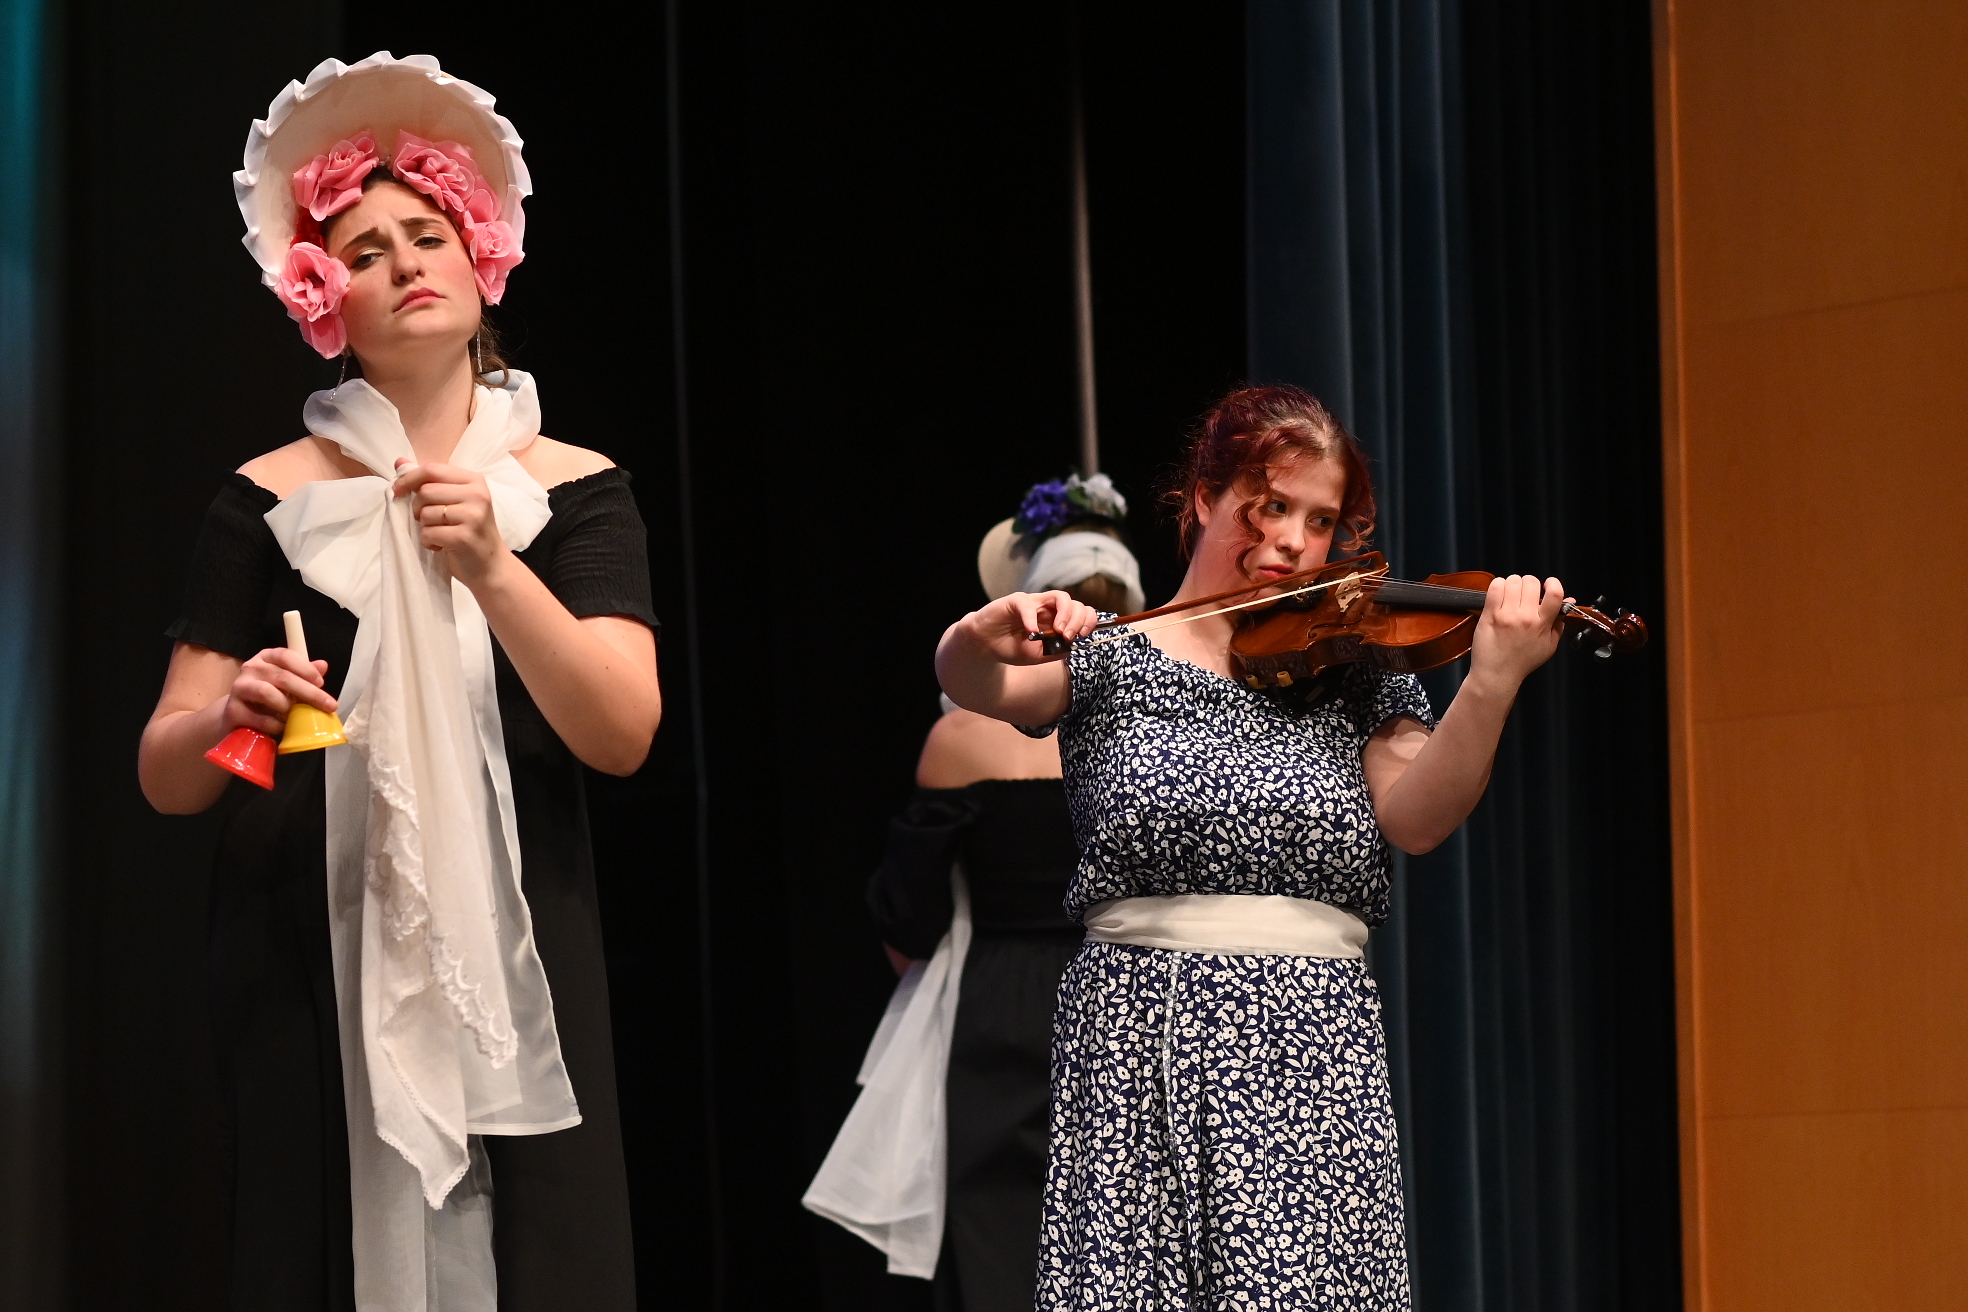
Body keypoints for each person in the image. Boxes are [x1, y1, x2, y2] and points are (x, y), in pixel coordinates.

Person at [136, 54, 657, 1312]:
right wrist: (230, 716)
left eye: (430, 236)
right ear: (324, 300)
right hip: (303, 938)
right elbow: (167, 774)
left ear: (482, 264)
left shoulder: (577, 487)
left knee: (544, 1252)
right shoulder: (265, 496)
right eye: (364, 251)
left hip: (520, 926)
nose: (407, 262)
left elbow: (622, 732)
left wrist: (493, 567)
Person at [935, 387, 1572, 1309]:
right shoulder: (1114, 656)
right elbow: (983, 684)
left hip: (1311, 1045)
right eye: (1269, 505)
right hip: (1140, 1035)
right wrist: (972, 635)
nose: (1292, 541)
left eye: (1320, 521)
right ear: (1204, 498)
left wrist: (1494, 680)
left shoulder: (1357, 669)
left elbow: (1418, 821)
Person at [813, 475, 1144, 1311]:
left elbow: (908, 923)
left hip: (996, 1009)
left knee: (1003, 1251)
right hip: (1131, 994)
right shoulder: (1156, 736)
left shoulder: (962, 735)